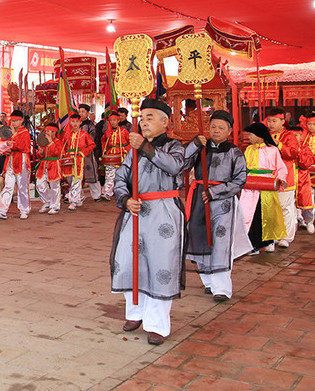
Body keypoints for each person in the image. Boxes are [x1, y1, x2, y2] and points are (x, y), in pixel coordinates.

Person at [110, 99, 184, 345]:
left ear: (165, 121)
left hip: (164, 212)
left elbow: (174, 167)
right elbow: (121, 177)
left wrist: (144, 147)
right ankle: (135, 312)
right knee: (131, 262)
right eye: (141, 117)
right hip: (136, 211)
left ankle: (157, 324)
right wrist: (125, 198)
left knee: (161, 266)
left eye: (150, 117)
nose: (143, 122)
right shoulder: (133, 150)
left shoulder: (175, 146)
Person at [182, 110, 250, 301]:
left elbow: (240, 179)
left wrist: (215, 192)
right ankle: (208, 282)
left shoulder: (234, 152)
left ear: (229, 131)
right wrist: (195, 145)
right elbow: (182, 162)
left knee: (220, 242)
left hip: (223, 203)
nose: (216, 130)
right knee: (199, 237)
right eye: (213, 127)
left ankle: (222, 288)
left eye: (221, 127)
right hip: (198, 198)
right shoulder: (201, 149)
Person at [240, 123, 288, 254]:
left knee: (268, 214)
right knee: (250, 214)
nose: (249, 137)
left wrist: (280, 179)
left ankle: (269, 241)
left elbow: (281, 167)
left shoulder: (273, 150)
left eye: (251, 134)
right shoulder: (249, 149)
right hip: (251, 185)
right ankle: (252, 244)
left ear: (259, 135)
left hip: (267, 185)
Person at [266, 107, 300, 248]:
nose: (271, 124)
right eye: (269, 121)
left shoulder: (289, 136)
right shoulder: (265, 135)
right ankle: (271, 237)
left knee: (285, 207)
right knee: (271, 207)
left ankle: (286, 237)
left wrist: (279, 144)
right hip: (269, 176)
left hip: (286, 175)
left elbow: (293, 153)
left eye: (274, 121)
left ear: (282, 121)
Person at [0, 109, 32, 220]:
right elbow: (4, 145)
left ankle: (24, 210)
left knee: (22, 186)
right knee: (8, 186)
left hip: (22, 160)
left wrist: (10, 144)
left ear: (21, 121)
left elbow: (23, 147)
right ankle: (2, 210)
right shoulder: (10, 132)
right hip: (10, 160)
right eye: (12, 120)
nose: (13, 123)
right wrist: (6, 148)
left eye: (16, 121)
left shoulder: (24, 133)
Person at [61, 113, 96, 210]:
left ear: (80, 122)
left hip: (78, 159)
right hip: (68, 159)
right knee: (71, 180)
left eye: (76, 121)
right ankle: (79, 198)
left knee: (76, 179)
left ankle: (73, 201)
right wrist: (63, 153)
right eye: (73, 122)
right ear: (70, 122)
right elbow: (63, 145)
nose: (75, 124)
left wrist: (83, 152)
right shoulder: (67, 134)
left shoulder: (84, 135)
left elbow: (92, 145)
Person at [100, 111, 130, 201]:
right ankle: (107, 193)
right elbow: (103, 142)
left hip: (121, 155)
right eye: (111, 120)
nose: (113, 122)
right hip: (110, 156)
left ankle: (123, 193)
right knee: (109, 175)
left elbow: (131, 142)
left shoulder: (124, 131)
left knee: (122, 175)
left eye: (114, 120)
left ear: (118, 121)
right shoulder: (107, 133)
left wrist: (125, 150)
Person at [35, 123, 63, 215]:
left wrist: (51, 142)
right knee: (39, 184)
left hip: (54, 164)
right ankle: (47, 201)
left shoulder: (58, 142)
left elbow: (58, 153)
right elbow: (39, 155)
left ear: (54, 132)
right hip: (44, 165)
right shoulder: (43, 142)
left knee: (54, 186)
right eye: (46, 131)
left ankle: (55, 206)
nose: (46, 133)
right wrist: (41, 153)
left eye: (48, 131)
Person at [78, 103, 102, 201]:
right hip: (77, 154)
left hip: (88, 153)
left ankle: (96, 195)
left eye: (83, 112)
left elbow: (92, 139)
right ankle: (79, 196)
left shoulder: (91, 126)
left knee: (91, 173)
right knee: (77, 175)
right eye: (79, 111)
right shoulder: (76, 124)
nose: (81, 113)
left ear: (88, 113)